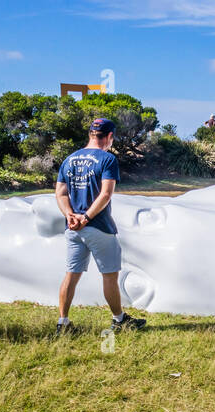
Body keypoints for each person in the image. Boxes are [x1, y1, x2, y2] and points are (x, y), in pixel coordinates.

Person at [54, 117, 146, 335]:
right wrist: (86, 218)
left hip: (73, 228)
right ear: (110, 137)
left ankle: (63, 322)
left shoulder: (70, 159)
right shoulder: (107, 159)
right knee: (110, 276)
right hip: (99, 226)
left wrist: (70, 216)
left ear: (90, 134)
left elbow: (60, 193)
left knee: (71, 274)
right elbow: (105, 194)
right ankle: (119, 320)